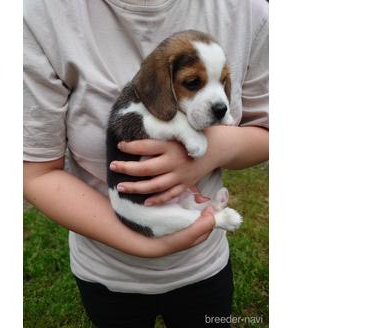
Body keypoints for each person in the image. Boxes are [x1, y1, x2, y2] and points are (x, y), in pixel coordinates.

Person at [23, 0, 268, 327]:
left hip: (204, 265)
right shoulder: (41, 15)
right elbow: (35, 172)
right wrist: (144, 244)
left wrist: (216, 148)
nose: (220, 99)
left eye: (221, 83)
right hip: (108, 271)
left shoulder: (247, 11)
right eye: (192, 83)